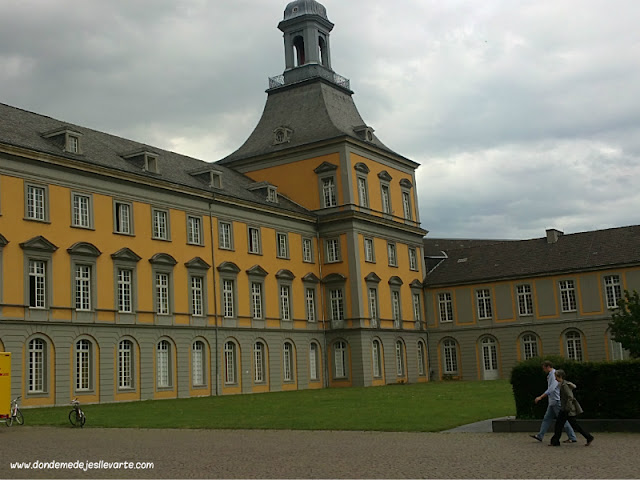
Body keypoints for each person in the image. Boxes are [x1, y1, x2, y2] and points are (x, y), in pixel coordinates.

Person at [529, 361, 577, 443]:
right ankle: (540, 435)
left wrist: (541, 397)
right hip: (552, 401)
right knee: (547, 419)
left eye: (544, 368)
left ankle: (572, 437)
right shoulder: (551, 375)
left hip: (556, 401)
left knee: (562, 420)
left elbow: (552, 388)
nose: (543, 370)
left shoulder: (554, 374)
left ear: (548, 367)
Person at [549, 369, 594, 446]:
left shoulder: (564, 385)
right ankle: (588, 437)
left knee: (560, 425)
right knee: (570, 424)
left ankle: (555, 441)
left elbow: (570, 397)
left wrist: (567, 408)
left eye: (556, 377)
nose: (555, 378)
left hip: (566, 409)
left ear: (560, 376)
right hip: (565, 409)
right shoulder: (563, 384)